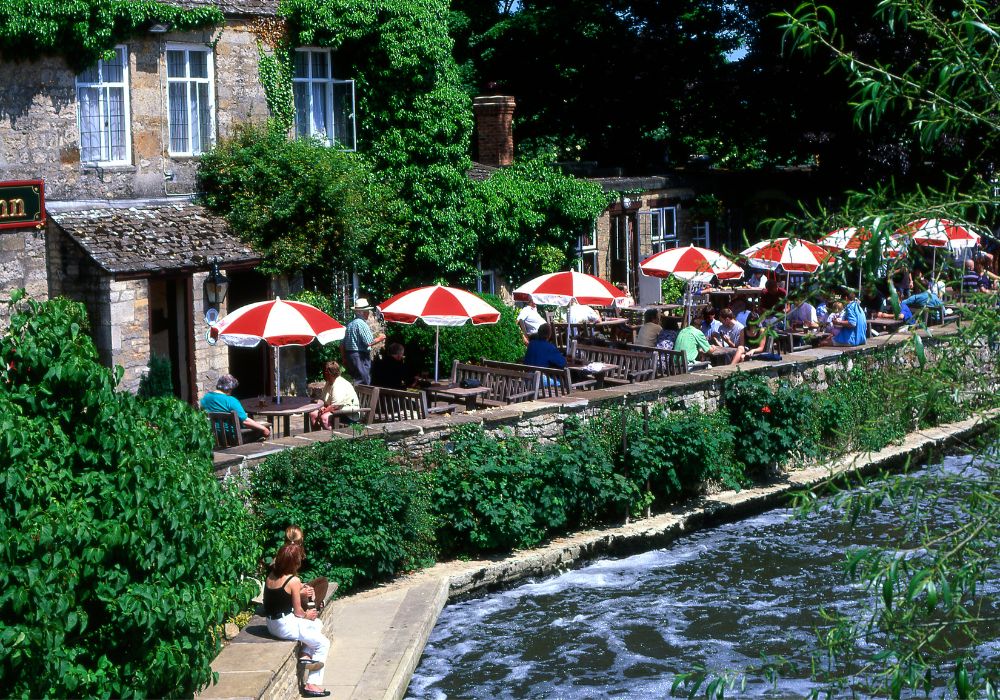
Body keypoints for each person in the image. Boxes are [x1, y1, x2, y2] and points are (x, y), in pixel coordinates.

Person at [263, 543, 331, 698]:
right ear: (294, 562)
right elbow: (299, 611)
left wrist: (301, 592)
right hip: (285, 625)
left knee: (318, 624)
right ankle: (312, 684)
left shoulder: (271, 575)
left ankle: (305, 654)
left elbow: (280, 597)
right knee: (323, 643)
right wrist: (307, 615)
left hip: (272, 623)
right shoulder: (293, 580)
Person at [200, 374, 271, 441]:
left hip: (214, 438)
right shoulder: (231, 400)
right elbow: (245, 421)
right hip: (233, 438)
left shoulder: (205, 398)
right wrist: (263, 428)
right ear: (229, 388)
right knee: (266, 429)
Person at [281, 526, 331, 612]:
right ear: (301, 540)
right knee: (305, 595)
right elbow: (279, 590)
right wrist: (300, 593)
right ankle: (312, 607)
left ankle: (313, 605)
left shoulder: (287, 553)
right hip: (285, 599)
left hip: (292, 589)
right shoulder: (284, 558)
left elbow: (291, 582)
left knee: (322, 581)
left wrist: (303, 587)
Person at [343, 299, 385, 385]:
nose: (369, 313)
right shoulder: (361, 323)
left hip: (350, 356)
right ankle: (362, 399)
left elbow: (342, 345)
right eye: (367, 311)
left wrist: (344, 358)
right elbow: (369, 342)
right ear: (362, 312)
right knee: (363, 382)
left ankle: (356, 398)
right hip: (359, 357)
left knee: (356, 380)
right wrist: (380, 338)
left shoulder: (350, 324)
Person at [311, 361, 361, 429]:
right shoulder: (329, 382)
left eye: (325, 372)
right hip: (336, 411)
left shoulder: (339, 384)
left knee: (325, 418)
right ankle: (317, 437)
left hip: (348, 414)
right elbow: (323, 400)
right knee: (313, 414)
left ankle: (331, 438)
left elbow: (335, 406)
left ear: (330, 373)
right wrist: (321, 408)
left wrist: (323, 411)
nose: (323, 373)